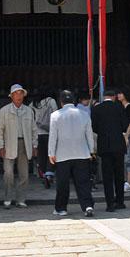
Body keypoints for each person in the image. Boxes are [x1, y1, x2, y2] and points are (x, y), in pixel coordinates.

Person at [48, 89, 97, 217]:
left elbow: (53, 136)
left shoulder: (55, 115)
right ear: (74, 100)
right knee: (83, 182)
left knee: (63, 184)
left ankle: (61, 208)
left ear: (61, 101)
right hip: (82, 153)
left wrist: (51, 153)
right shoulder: (84, 114)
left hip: (62, 154)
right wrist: (91, 150)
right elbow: (89, 135)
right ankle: (87, 205)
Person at [0, 83, 37, 208]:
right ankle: (8, 198)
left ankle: (21, 199)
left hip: (24, 143)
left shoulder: (29, 111)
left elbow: (34, 129)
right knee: (8, 173)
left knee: (24, 174)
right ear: (11, 96)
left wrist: (35, 145)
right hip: (9, 144)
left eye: (21, 93)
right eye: (16, 94)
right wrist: (0, 146)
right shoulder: (4, 111)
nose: (19, 96)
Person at [91, 89, 130, 211]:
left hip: (104, 145)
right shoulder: (119, 107)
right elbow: (125, 125)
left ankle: (109, 204)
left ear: (104, 97)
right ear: (113, 97)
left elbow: (94, 127)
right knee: (119, 174)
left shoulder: (97, 109)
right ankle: (120, 201)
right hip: (118, 144)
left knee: (107, 176)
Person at [34, 89, 59, 188]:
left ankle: (44, 174)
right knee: (51, 154)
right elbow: (56, 114)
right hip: (49, 132)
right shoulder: (51, 101)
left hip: (38, 133)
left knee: (42, 155)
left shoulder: (34, 103)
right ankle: (49, 175)